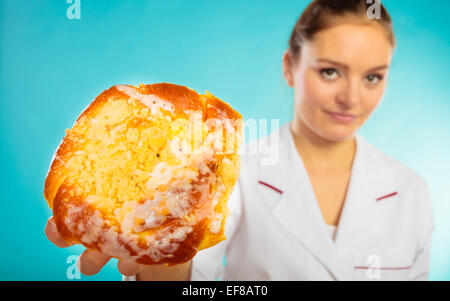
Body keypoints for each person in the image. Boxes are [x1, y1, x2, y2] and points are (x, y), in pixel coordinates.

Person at [45, 0, 434, 280]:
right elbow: (194, 281)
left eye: (373, 77)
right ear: (289, 67)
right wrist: (157, 255)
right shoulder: (223, 174)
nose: (352, 97)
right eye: (330, 72)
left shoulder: (411, 192)